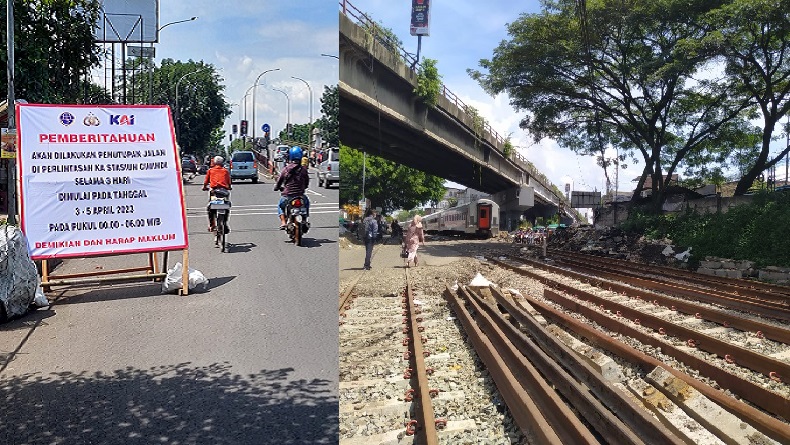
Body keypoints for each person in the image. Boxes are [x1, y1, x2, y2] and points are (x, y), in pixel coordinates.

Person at [274, 146, 310, 229]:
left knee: (280, 206)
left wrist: (277, 187)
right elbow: (307, 182)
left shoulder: (286, 169)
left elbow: (280, 181)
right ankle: (304, 220)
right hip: (300, 195)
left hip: (287, 195)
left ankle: (283, 222)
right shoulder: (303, 169)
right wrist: (304, 187)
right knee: (306, 203)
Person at [202, 155, 232, 233]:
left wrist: (204, 187)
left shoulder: (210, 170)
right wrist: (229, 187)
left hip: (214, 192)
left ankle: (212, 225)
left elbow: (206, 182)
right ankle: (225, 223)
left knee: (210, 208)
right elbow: (229, 182)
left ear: (214, 162)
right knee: (227, 206)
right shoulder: (225, 171)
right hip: (224, 192)